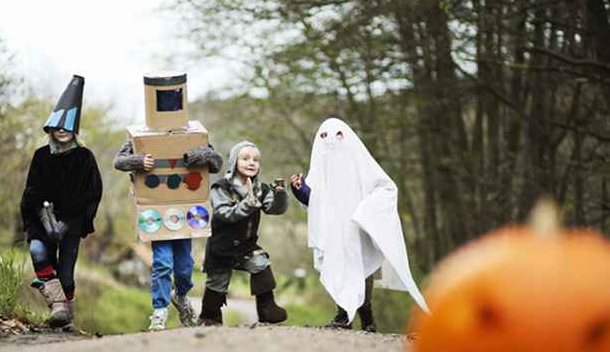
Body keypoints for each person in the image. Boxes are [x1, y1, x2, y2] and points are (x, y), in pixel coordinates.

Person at [290, 118, 428, 331]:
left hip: (358, 228)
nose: (330, 141)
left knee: (361, 271)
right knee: (338, 269)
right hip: (334, 232)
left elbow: (386, 189)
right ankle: (343, 315)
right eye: (324, 136)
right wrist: (300, 190)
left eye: (337, 135)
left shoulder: (362, 165)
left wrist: (366, 212)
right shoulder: (320, 171)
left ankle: (366, 317)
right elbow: (314, 201)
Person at [20, 75, 103, 328]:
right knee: (37, 251)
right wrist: (44, 219)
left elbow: (93, 192)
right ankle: (57, 306)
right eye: (57, 127)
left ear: (74, 129)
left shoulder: (85, 157)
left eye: (66, 127)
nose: (62, 131)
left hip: (72, 221)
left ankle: (66, 318)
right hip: (41, 218)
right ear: (51, 129)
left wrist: (71, 221)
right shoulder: (41, 156)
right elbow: (32, 191)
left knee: (66, 273)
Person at [114, 139, 222, 331]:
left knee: (184, 267)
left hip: (185, 212)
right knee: (162, 263)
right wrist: (139, 161)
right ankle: (159, 310)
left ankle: (180, 296)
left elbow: (216, 162)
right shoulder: (141, 136)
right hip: (156, 214)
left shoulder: (192, 134)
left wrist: (195, 156)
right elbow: (119, 161)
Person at [199, 141, 289, 326]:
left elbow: (274, 209)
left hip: (246, 244)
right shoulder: (221, 187)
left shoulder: (261, 189)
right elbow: (225, 214)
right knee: (218, 282)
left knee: (261, 263)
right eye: (245, 158)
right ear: (234, 161)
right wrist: (248, 203)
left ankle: (267, 310)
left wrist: (280, 194)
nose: (251, 162)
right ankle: (209, 316)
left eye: (256, 159)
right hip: (222, 245)